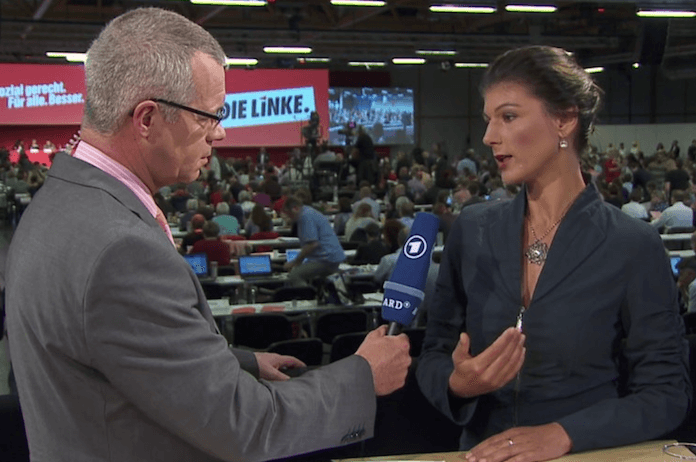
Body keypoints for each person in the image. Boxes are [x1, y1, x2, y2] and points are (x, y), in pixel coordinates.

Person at [4, 8, 412, 462]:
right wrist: (361, 376)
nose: (221, 132)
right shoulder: (122, 250)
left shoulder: (59, 202)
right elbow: (245, 425)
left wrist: (239, 363)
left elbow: (103, 350)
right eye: (209, 115)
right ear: (147, 119)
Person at [417, 45, 689, 462]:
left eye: (508, 116)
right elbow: (434, 354)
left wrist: (564, 434)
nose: (490, 136)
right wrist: (457, 385)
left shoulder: (632, 245)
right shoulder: (472, 230)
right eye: (489, 119)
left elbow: (665, 394)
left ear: (564, 119)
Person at [282, 195, 346, 285]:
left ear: (295, 209)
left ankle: (308, 297)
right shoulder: (309, 211)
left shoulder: (304, 217)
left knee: (294, 275)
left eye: (289, 214)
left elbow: (312, 244)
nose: (290, 218)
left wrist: (295, 262)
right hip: (332, 256)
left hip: (326, 258)